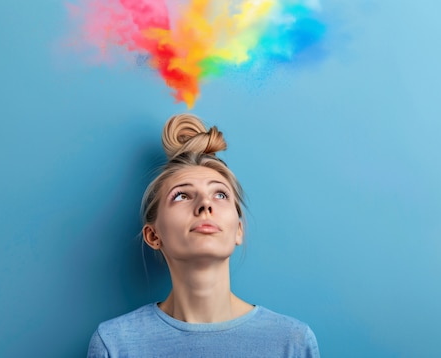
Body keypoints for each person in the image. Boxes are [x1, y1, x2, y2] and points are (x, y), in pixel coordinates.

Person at [87, 114, 320, 357]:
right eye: (182, 196)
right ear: (153, 235)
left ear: (238, 230)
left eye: (220, 195)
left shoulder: (292, 342)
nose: (205, 204)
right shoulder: (115, 344)